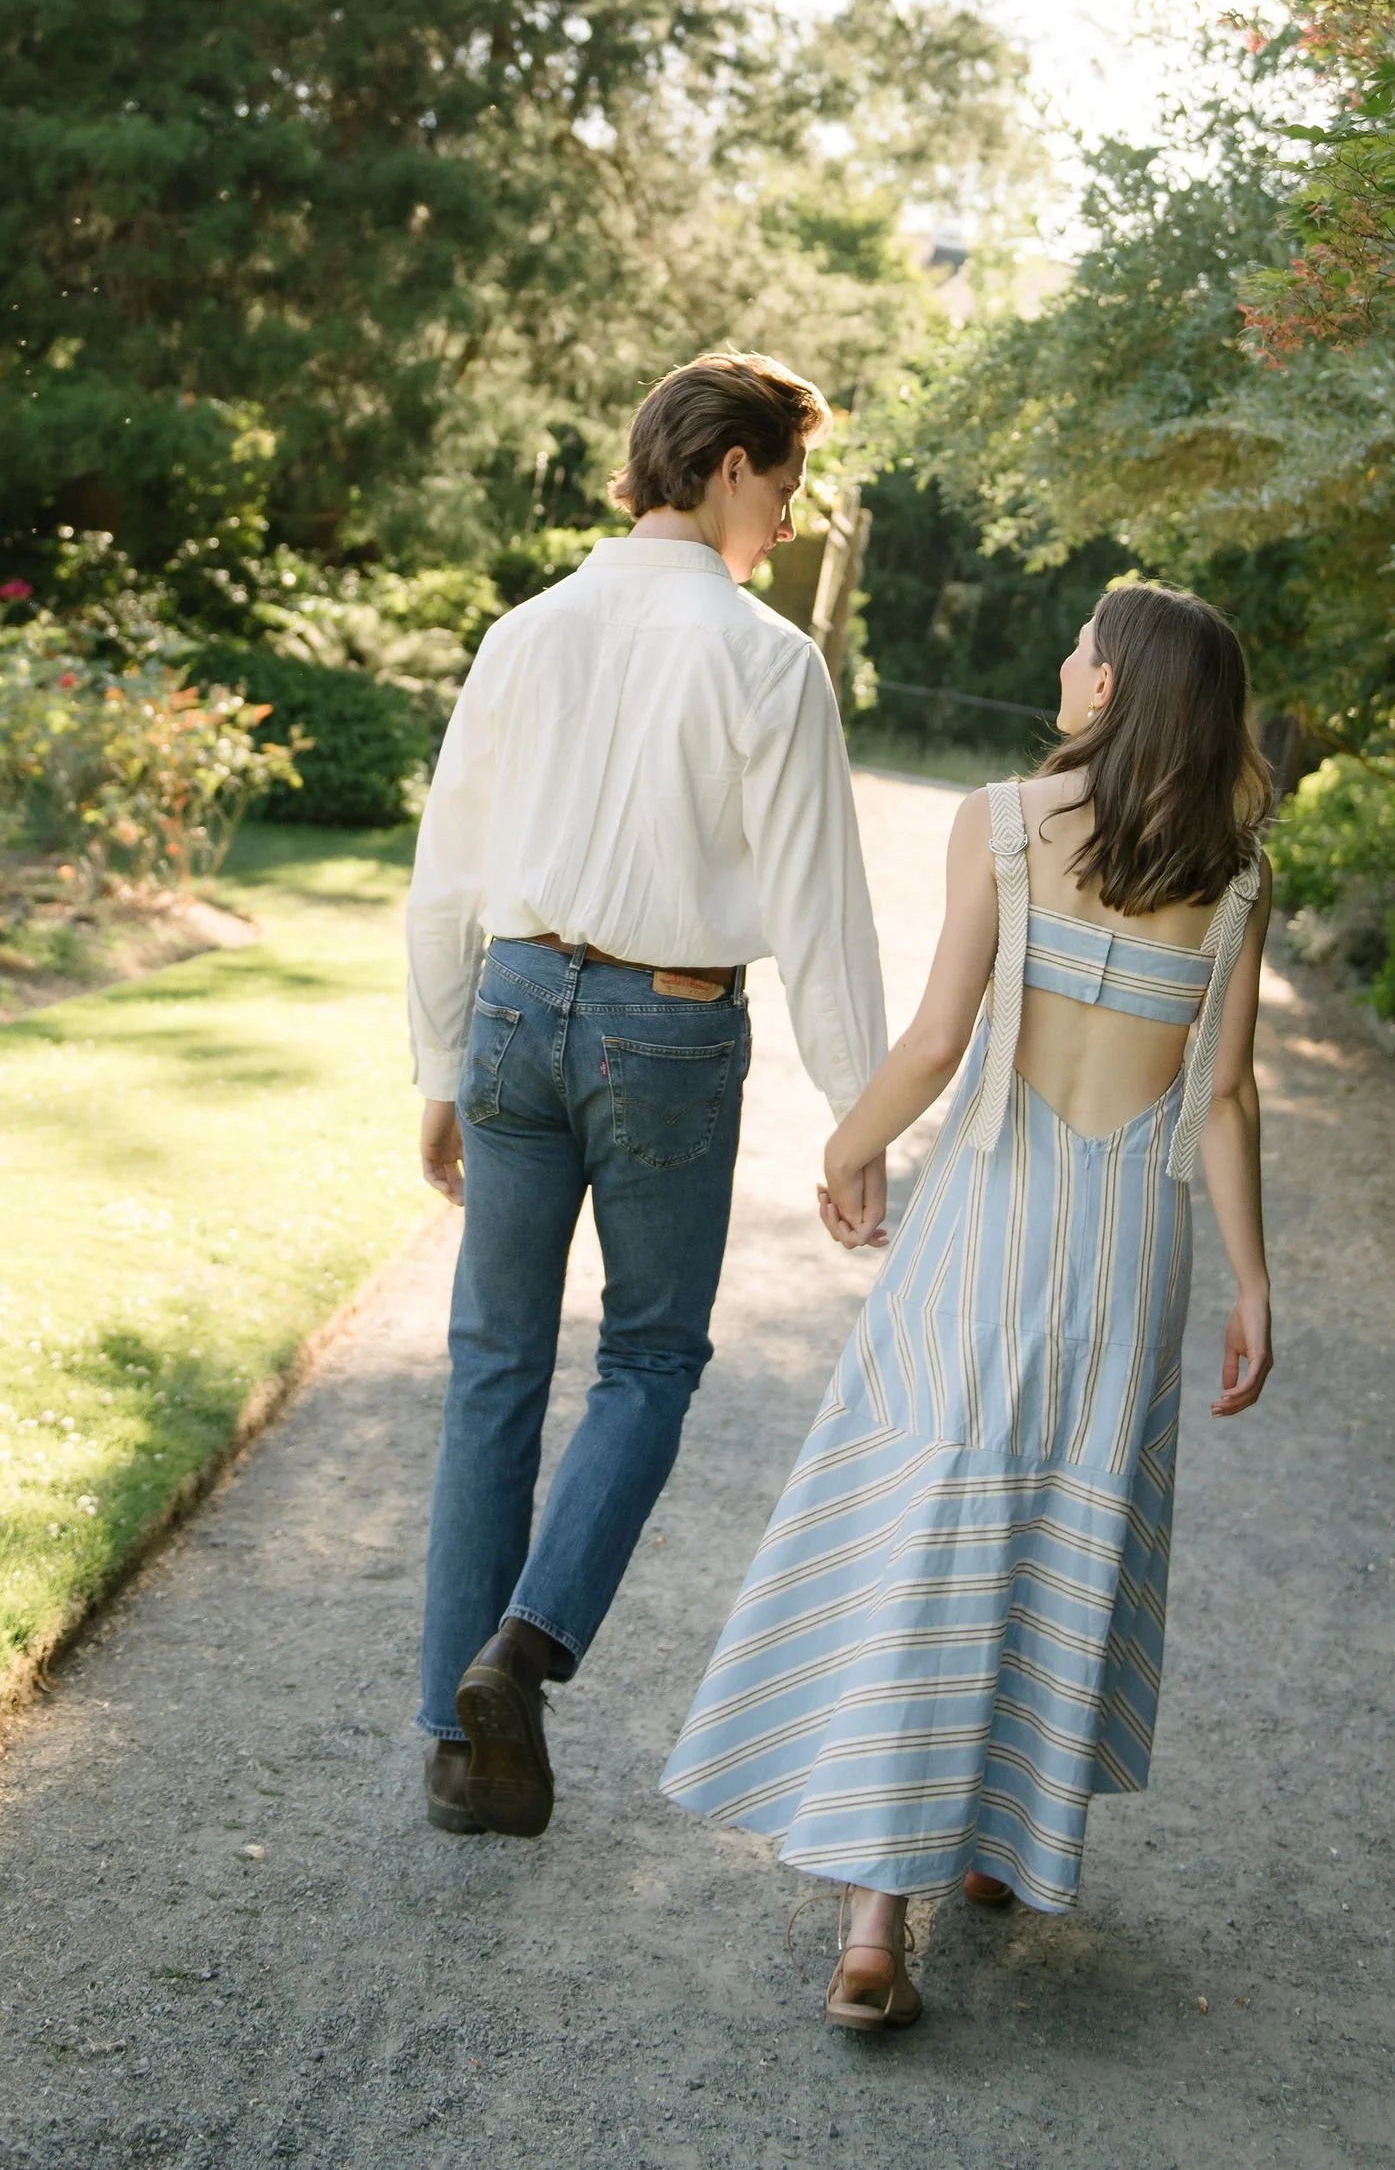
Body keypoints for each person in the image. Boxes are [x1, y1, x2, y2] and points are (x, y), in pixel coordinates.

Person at [662, 581, 1276, 2032]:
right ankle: (1001, 1827)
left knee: (938, 1506)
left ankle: (877, 1923)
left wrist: (846, 1141)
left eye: (1082, 649)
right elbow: (1229, 1093)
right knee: (1068, 1507)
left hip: (994, 1217)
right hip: (1132, 1235)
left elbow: (939, 1038)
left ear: (1115, 688)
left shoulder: (1004, 820)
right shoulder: (1238, 874)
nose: (1064, 663)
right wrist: (1256, 1279)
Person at [405, 351, 887, 1842]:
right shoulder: (765, 658)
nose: (786, 522)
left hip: (509, 1004)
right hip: (664, 1027)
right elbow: (822, 908)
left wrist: (436, 1069)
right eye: (787, 486)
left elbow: (447, 870)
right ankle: (524, 1649)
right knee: (653, 1358)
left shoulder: (526, 630)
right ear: (732, 464)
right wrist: (858, 1119)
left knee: (493, 1364)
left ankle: (455, 1743)